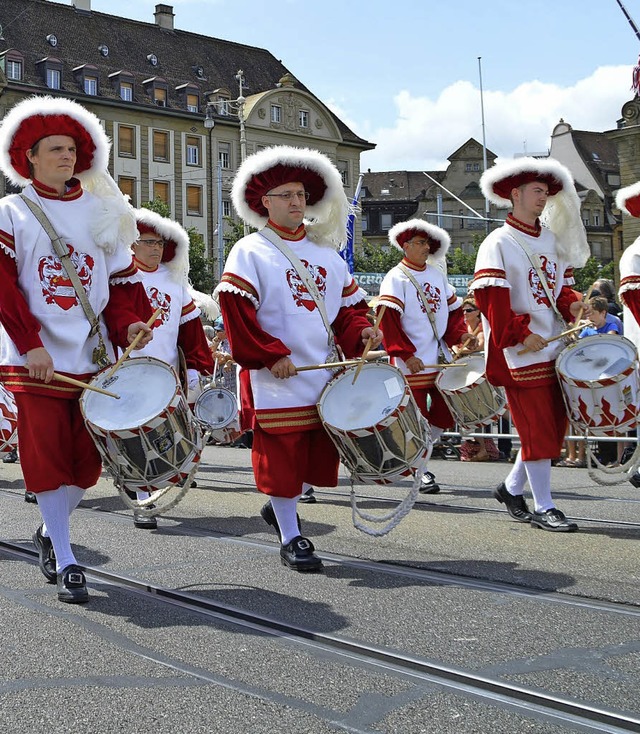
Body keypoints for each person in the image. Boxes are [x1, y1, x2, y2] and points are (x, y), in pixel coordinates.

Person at [0, 96, 154, 603]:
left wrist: (130, 325)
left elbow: (122, 287)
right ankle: (67, 558)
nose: (67, 157)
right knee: (46, 457)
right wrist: (30, 344)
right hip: (35, 359)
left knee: (87, 463)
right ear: (30, 158)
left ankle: (50, 530)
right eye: (55, 149)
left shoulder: (105, 211)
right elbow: (4, 286)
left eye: (71, 148)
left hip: (93, 358)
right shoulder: (12, 211)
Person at [215, 145, 382, 572]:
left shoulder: (327, 253)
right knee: (283, 456)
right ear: (265, 202)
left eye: (301, 195)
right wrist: (269, 355)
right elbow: (237, 312)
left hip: (320, 371)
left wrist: (361, 330)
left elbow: (346, 311)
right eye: (286, 195)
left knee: (309, 457)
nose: (295, 203)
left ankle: (280, 508)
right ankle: (291, 536)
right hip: (278, 375)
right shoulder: (250, 250)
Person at [471, 157, 591, 532]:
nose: (543, 198)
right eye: (536, 191)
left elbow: (560, 288)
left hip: (552, 346)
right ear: (515, 194)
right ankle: (544, 505)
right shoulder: (498, 242)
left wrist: (571, 303)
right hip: (518, 352)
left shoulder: (552, 239)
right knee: (537, 428)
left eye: (546, 192)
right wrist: (521, 334)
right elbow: (492, 301)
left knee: (552, 428)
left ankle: (510, 489)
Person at [127, 208, 215, 528]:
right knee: (135, 436)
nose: (156, 248)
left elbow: (190, 331)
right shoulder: (119, 275)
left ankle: (146, 487)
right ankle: (141, 498)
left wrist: (194, 369)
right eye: (149, 242)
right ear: (132, 244)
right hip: (127, 371)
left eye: (161, 243)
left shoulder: (174, 282)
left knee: (164, 436)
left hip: (165, 374)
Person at [377, 219, 475, 492]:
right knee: (416, 417)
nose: (425, 247)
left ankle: (419, 458)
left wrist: (461, 335)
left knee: (446, 411)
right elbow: (389, 321)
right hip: (411, 363)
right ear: (405, 246)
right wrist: (406, 355)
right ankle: (422, 470)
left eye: (427, 243)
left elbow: (454, 312)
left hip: (437, 358)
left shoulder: (436, 274)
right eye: (420, 243)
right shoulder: (395, 277)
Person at [456, 295, 500, 462]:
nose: (465, 313)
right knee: (469, 411)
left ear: (477, 312)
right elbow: (454, 342)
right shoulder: (464, 326)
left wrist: (461, 349)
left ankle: (484, 448)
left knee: (480, 410)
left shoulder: (482, 327)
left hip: (479, 372)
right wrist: (456, 347)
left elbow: (479, 345)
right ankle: (480, 447)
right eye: (463, 310)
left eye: (469, 310)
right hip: (465, 373)